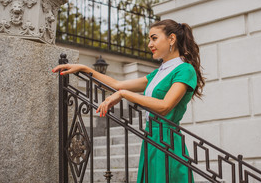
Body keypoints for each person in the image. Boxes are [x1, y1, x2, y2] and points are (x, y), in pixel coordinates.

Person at [52, 19, 205, 183]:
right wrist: (85, 68)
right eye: (149, 39)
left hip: (167, 140)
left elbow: (164, 106)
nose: (149, 44)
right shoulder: (159, 72)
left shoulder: (185, 69)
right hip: (152, 138)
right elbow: (117, 84)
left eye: (154, 38)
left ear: (172, 39)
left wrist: (124, 94)